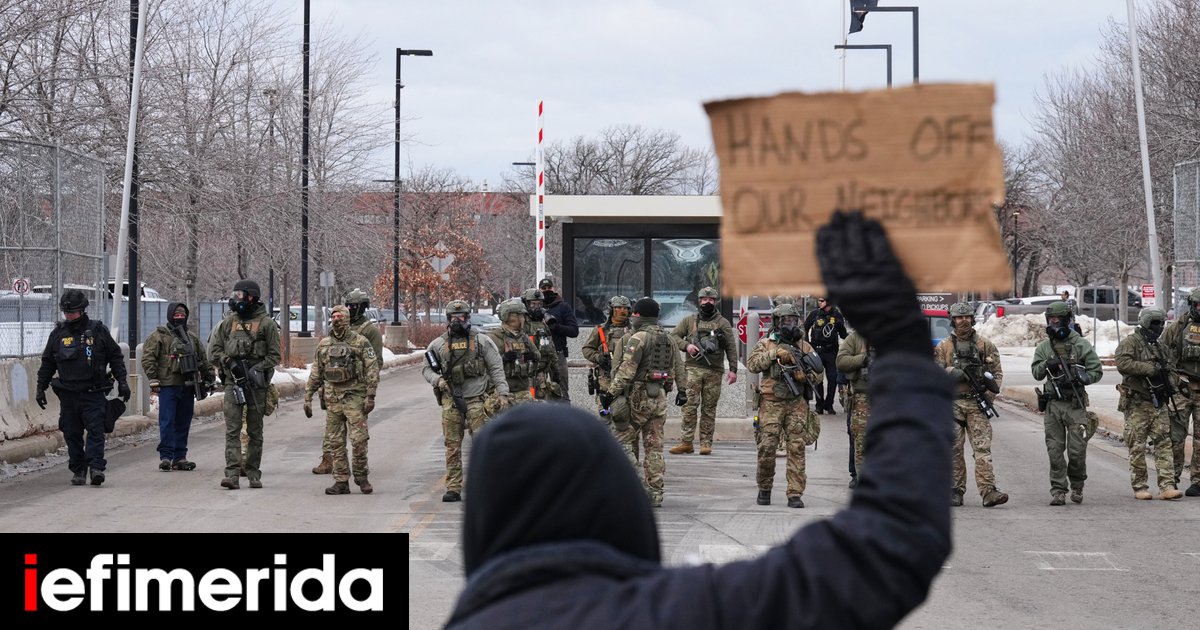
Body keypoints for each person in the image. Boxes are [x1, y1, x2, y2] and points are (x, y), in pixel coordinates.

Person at [444, 211, 952, 630]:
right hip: (674, 399)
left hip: (667, 395)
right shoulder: (671, 613)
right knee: (661, 445)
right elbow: (889, 551)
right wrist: (902, 348)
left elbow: (726, 356)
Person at [36, 289, 130, 486]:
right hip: (68, 395)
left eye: (72, 312)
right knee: (71, 433)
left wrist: (122, 381)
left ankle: (96, 468)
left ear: (82, 310)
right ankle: (78, 469)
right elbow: (48, 363)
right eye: (66, 312)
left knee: (96, 431)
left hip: (93, 392)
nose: (69, 315)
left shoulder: (98, 331)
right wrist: (40, 387)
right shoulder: (58, 334)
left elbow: (115, 356)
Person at [600, 297, 687, 508]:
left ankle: (636, 485)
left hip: (638, 397)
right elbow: (679, 366)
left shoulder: (638, 337)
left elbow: (626, 371)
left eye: (635, 314)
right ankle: (655, 493)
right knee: (654, 447)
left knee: (619, 441)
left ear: (639, 315)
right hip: (659, 398)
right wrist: (682, 390)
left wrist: (610, 394)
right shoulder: (668, 338)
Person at [422, 299, 510, 502]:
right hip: (451, 401)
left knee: (482, 444)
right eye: (453, 317)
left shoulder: (481, 341)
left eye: (461, 317)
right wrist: (438, 381)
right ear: (447, 319)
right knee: (452, 446)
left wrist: (503, 394)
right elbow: (426, 368)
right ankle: (453, 487)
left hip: (477, 401)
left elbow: (496, 368)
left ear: (468, 318)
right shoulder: (438, 344)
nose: (457, 321)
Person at [208, 279, 281, 490]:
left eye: (240, 295)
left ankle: (253, 473)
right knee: (233, 429)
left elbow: (274, 355)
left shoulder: (266, 324)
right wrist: (228, 362)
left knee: (255, 431)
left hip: (256, 384)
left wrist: (256, 369)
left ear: (251, 297)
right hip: (233, 381)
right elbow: (215, 350)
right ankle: (232, 474)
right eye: (235, 295)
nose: (236, 299)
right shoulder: (228, 322)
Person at [934, 302, 1009, 508]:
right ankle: (955, 491)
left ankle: (989, 492)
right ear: (953, 320)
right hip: (952, 406)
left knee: (982, 449)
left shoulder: (985, 345)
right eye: (959, 318)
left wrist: (988, 398)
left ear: (973, 319)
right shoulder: (944, 347)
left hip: (977, 404)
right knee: (953, 450)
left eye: (967, 317)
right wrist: (951, 372)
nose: (964, 321)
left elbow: (997, 374)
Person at [746, 303, 820, 508]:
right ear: (777, 322)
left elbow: (819, 374)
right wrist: (775, 354)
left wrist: (805, 376)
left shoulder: (804, 346)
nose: (790, 324)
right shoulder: (766, 343)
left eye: (793, 320)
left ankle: (795, 493)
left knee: (796, 447)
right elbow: (752, 364)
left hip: (796, 404)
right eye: (786, 320)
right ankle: (764, 488)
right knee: (767, 447)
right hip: (771, 403)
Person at [1032, 301, 1103, 506]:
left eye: (1058, 319)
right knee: (1054, 450)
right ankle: (1058, 491)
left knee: (1077, 451)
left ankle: (1077, 486)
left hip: (1075, 404)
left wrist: (1083, 378)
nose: (1054, 323)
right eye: (1050, 319)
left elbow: (1096, 370)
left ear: (1067, 320)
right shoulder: (1044, 347)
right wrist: (1048, 364)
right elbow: (1036, 372)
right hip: (1053, 405)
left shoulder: (1081, 344)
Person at [303, 305, 380, 495]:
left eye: (340, 316)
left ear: (347, 319)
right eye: (334, 316)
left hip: (355, 397)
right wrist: (308, 397)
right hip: (333, 398)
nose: (336, 320)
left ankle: (361, 477)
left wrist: (370, 395)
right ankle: (341, 480)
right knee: (335, 442)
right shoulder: (324, 344)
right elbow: (316, 372)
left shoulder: (360, 342)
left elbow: (372, 368)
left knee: (359, 440)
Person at [312, 288, 384, 475]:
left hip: (355, 388)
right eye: (348, 306)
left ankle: (359, 466)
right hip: (333, 386)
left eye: (354, 306)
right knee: (333, 428)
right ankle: (329, 460)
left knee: (358, 432)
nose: (350, 309)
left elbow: (376, 361)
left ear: (362, 307)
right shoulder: (339, 327)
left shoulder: (369, 331)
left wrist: (368, 388)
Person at [1114, 308, 1183, 500]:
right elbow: (1122, 363)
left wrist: (1169, 381)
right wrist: (1149, 369)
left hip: (1158, 403)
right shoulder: (1130, 343)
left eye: (1161, 323)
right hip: (1137, 403)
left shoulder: (1161, 347)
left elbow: (1172, 370)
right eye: (1155, 323)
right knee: (1137, 446)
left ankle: (1167, 485)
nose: (1158, 327)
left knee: (1164, 443)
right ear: (1145, 322)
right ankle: (1140, 486)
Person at [141, 302, 215, 472]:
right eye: (176, 315)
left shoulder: (191, 338)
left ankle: (180, 457)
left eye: (182, 316)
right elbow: (148, 358)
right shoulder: (159, 336)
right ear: (170, 316)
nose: (180, 318)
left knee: (183, 422)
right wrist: (153, 378)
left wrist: (209, 376)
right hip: (168, 386)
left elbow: (202, 359)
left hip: (188, 385)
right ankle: (166, 456)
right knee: (167, 421)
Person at [667, 287, 737, 455]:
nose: (707, 302)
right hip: (692, 370)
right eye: (704, 299)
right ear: (699, 301)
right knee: (689, 407)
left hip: (714, 371)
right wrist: (687, 346)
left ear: (715, 302)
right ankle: (686, 442)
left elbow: (731, 347)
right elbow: (673, 337)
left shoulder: (723, 323)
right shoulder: (689, 321)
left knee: (709, 408)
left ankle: (706, 443)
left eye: (711, 299)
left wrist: (733, 369)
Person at [1159, 287, 1200, 497]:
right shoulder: (1178, 327)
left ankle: (1198, 481)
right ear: (1192, 305)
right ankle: (1171, 480)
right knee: (1175, 437)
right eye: (1198, 305)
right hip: (1181, 389)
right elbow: (1161, 352)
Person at [581, 295, 632, 428]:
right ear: (611, 310)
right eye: (618, 308)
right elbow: (587, 349)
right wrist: (598, 358)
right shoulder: (601, 330)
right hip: (605, 381)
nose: (622, 311)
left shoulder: (634, 331)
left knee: (626, 420)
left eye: (625, 308)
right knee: (605, 417)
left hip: (628, 381)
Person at [836, 327, 873, 487]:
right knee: (859, 440)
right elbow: (841, 361)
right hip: (861, 397)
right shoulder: (855, 338)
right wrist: (863, 359)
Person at [486, 299, 539, 406]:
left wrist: (533, 356)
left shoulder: (523, 337)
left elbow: (537, 354)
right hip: (501, 392)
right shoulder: (493, 337)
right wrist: (503, 358)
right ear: (509, 317)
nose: (523, 319)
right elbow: (486, 364)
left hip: (523, 389)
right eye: (520, 316)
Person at [804, 296, 848, 414]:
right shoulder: (814, 314)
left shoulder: (837, 315)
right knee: (818, 379)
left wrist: (841, 326)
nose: (820, 303)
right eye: (819, 301)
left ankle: (829, 405)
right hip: (817, 351)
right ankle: (819, 405)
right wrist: (807, 345)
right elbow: (805, 328)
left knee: (832, 378)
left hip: (831, 351)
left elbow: (843, 334)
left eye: (822, 301)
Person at [539, 277, 579, 402]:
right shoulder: (534, 308)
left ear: (554, 289)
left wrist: (555, 326)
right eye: (544, 288)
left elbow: (574, 331)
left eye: (549, 287)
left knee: (561, 393)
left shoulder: (563, 307)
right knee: (538, 392)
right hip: (538, 355)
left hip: (558, 354)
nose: (547, 290)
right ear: (539, 290)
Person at [521, 288, 564, 400]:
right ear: (525, 304)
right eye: (533, 304)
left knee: (542, 404)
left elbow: (551, 349)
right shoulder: (521, 323)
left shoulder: (543, 324)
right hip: (524, 375)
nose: (537, 307)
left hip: (541, 375)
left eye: (539, 304)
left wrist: (556, 371)